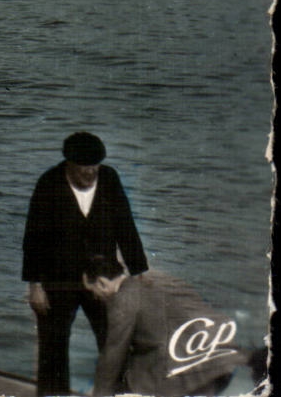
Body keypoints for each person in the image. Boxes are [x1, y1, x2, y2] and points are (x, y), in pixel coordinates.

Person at [22, 131, 149, 397]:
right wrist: (35, 286)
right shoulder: (49, 183)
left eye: (95, 166)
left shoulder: (109, 179)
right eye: (84, 168)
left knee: (116, 344)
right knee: (52, 350)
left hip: (104, 279)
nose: (91, 173)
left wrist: (138, 275)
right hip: (57, 279)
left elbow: (125, 226)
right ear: (69, 164)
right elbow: (34, 237)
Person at [84, 255, 244, 397]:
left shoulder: (122, 299)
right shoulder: (156, 279)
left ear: (102, 282)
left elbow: (113, 352)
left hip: (189, 368)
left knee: (134, 377)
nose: (95, 297)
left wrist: (99, 392)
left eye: (93, 291)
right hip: (223, 358)